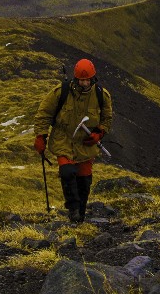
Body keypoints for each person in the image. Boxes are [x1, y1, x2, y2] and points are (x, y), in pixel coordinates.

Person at [33, 58, 114, 223]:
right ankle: (73, 210)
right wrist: (40, 136)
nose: (84, 83)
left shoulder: (101, 95)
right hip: (64, 140)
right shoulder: (60, 92)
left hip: (86, 144)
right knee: (67, 172)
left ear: (93, 78)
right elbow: (44, 113)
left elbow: (107, 118)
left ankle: (80, 216)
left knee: (84, 181)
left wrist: (99, 133)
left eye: (87, 80)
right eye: (81, 80)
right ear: (75, 78)